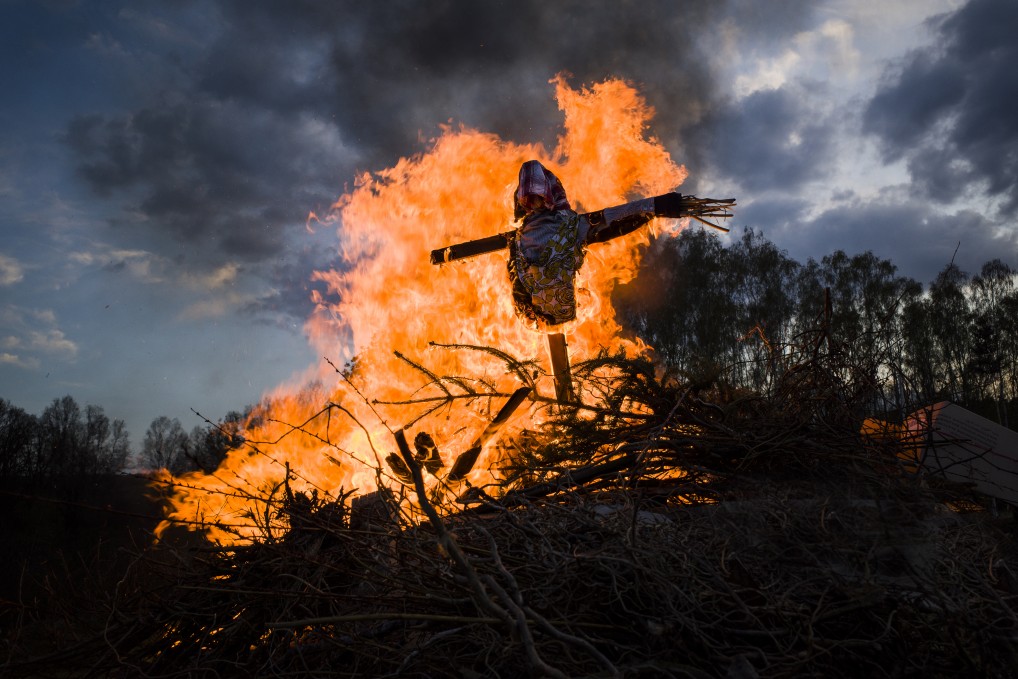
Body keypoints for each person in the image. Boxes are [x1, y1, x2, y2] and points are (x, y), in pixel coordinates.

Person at [507, 159, 688, 329]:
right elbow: (612, 218)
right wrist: (656, 206)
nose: (534, 203)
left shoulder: (559, 229)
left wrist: (656, 205)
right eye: (529, 199)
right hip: (538, 318)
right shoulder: (533, 236)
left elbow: (613, 217)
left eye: (536, 197)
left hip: (544, 317)